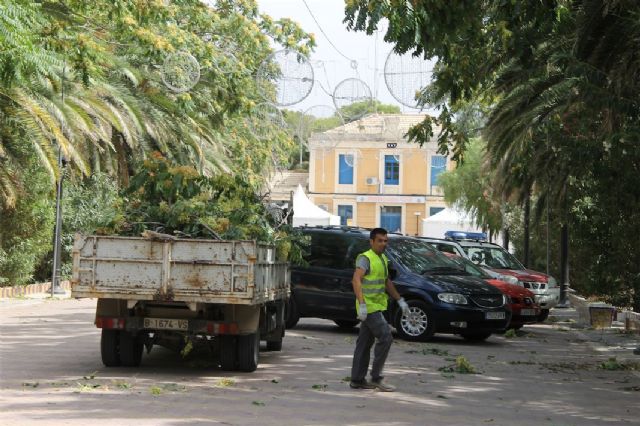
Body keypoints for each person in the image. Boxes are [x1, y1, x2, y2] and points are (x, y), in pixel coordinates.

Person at [349, 227, 410, 392]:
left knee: (364, 343)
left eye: (385, 240)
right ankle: (376, 378)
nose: (383, 244)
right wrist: (361, 304)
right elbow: (356, 280)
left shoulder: (383, 259)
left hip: (376, 305)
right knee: (386, 337)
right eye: (380, 241)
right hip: (368, 307)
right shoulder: (365, 258)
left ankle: (357, 379)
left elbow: (386, 281)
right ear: (372, 242)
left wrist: (400, 300)